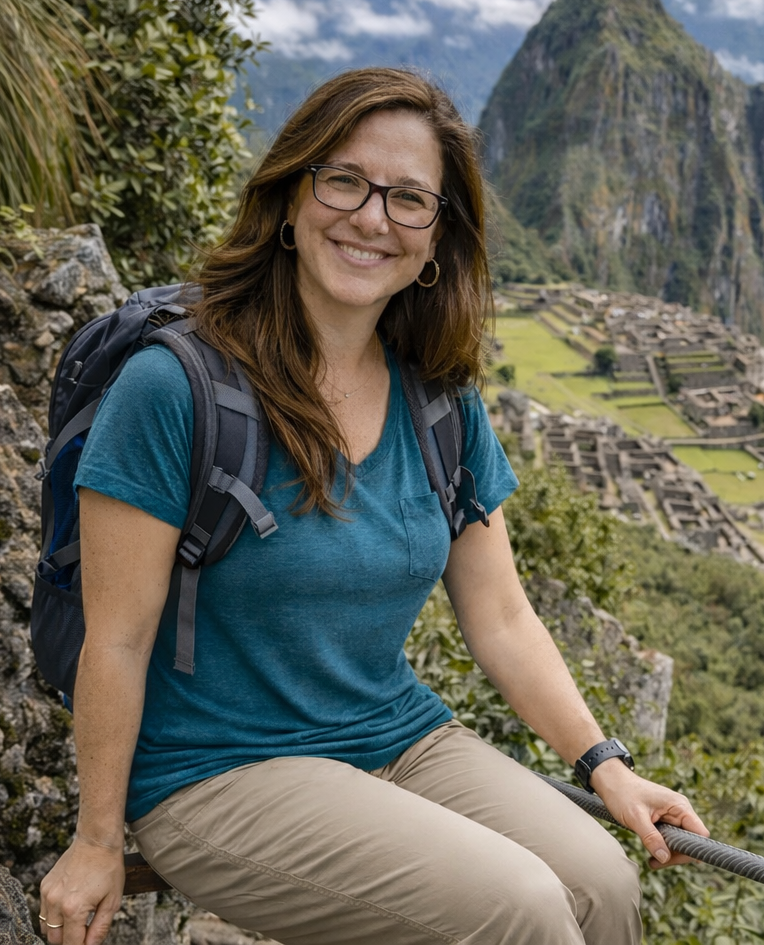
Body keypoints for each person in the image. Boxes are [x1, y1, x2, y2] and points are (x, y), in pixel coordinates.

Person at [37, 68, 708, 945]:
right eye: (345, 180)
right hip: (218, 769)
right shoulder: (176, 388)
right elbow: (116, 639)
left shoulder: (437, 399)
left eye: (409, 199)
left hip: (395, 736)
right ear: (290, 196)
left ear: (436, 242)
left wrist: (604, 764)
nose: (372, 218)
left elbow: (502, 613)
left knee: (602, 884)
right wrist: (94, 843)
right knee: (525, 908)